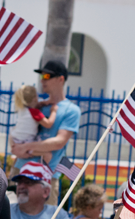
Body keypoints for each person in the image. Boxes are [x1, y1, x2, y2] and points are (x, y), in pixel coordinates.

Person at [10, 60, 82, 205]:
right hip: (21, 170)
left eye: (47, 76)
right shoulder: (37, 106)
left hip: (47, 176)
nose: (42, 80)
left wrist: (24, 147)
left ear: (61, 79)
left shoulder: (71, 110)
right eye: (42, 76)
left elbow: (59, 142)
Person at [5, 161, 74, 219]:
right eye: (19, 182)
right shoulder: (7, 212)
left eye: (28, 182)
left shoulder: (59, 214)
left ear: (46, 192)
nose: (21, 186)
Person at [11, 84, 58, 154]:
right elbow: (48, 124)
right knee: (47, 154)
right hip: (25, 142)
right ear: (35, 98)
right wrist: (53, 112)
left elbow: (34, 107)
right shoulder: (34, 112)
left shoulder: (22, 109)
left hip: (15, 139)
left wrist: (42, 103)